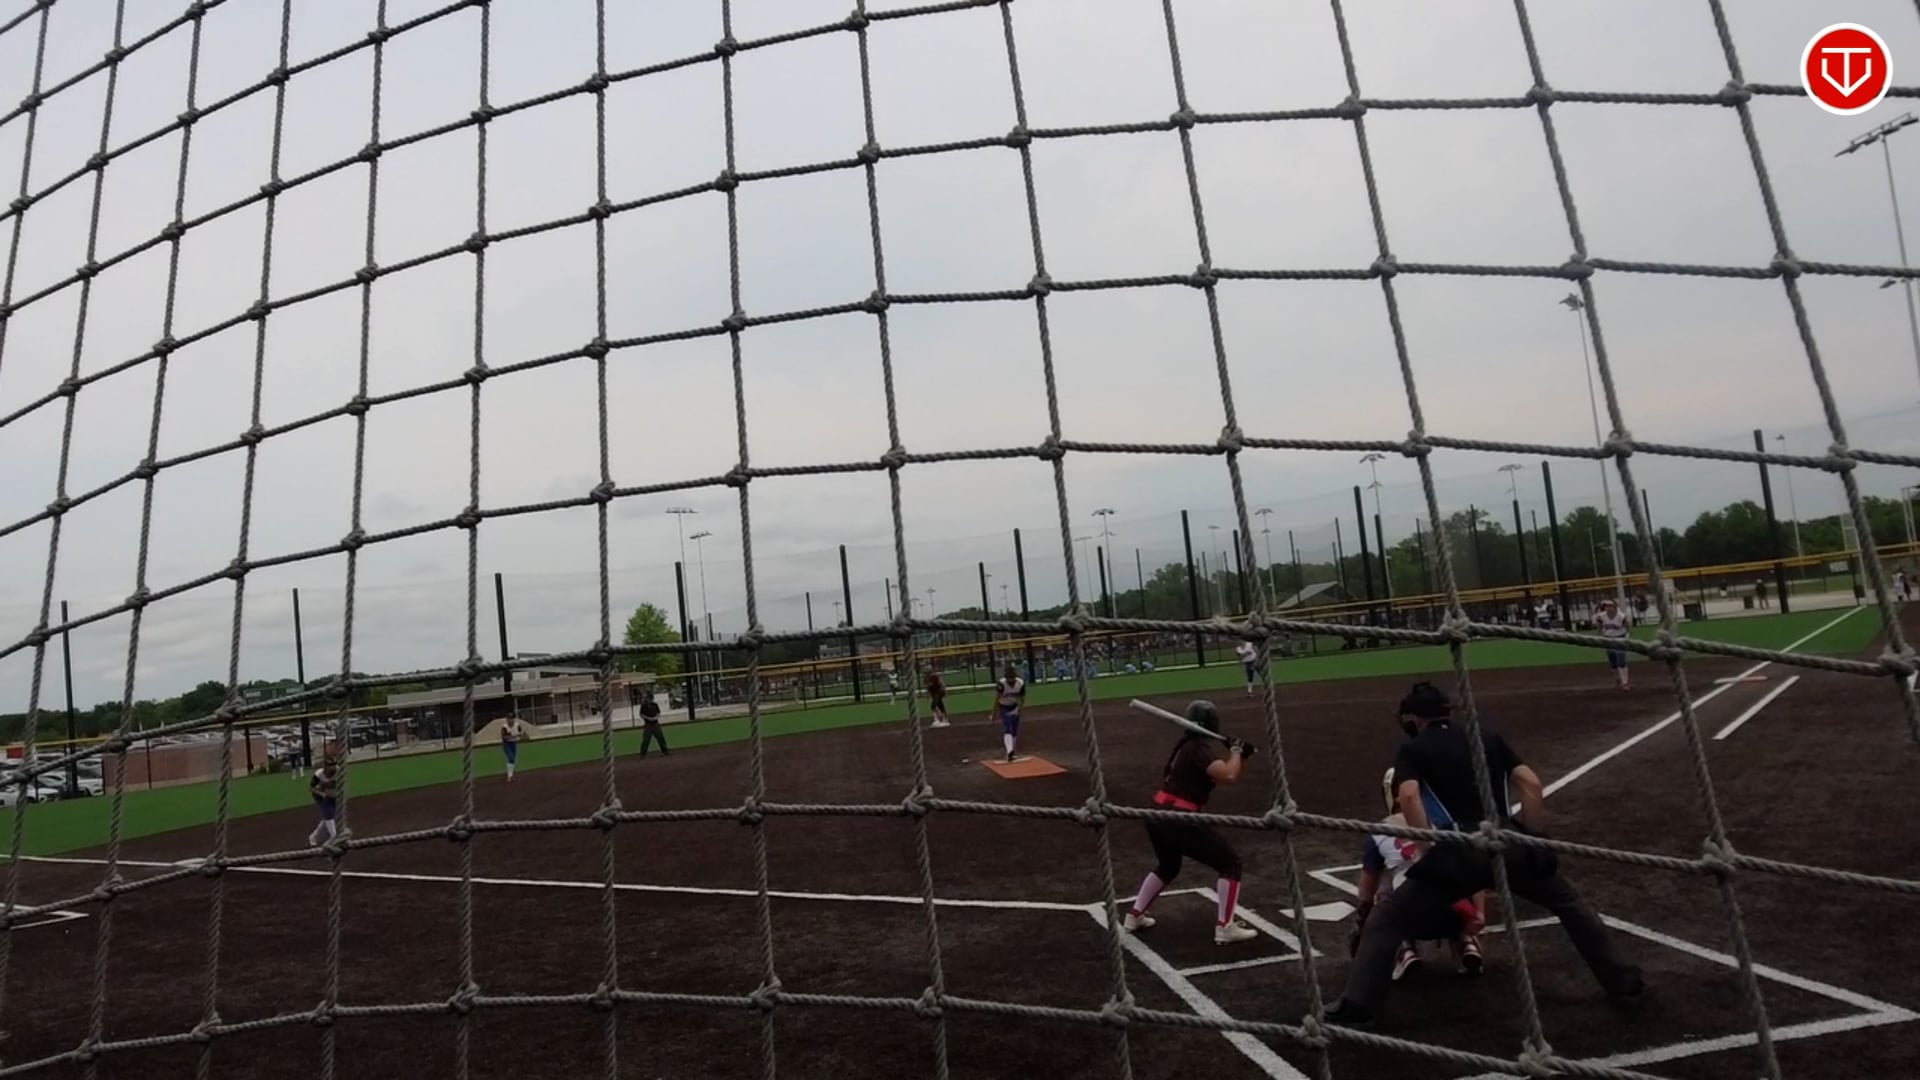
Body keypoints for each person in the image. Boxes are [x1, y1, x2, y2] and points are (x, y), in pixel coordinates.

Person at [1323, 682, 1643, 1028]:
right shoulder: (1485, 737)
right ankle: (1622, 980)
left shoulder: (1412, 749)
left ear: (1415, 718)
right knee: (1568, 903)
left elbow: (1410, 797)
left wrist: (1428, 850)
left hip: (1459, 850)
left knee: (1387, 918)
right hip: (1507, 839)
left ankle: (1359, 1005)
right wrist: (1533, 837)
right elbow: (1531, 784)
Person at [1122, 701, 1259, 945]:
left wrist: (1238, 754)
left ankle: (1135, 915)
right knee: (1230, 864)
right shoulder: (1198, 749)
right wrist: (1237, 752)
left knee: (1168, 866)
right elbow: (1228, 774)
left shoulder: (1184, 746)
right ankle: (1225, 927)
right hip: (1179, 818)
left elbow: (1226, 770)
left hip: (1157, 814)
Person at [1353, 767, 1484, 982]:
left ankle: (1404, 949)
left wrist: (1362, 925)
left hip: (1411, 916)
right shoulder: (1450, 824)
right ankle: (1466, 942)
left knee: (1384, 893)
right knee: (1456, 876)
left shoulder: (1378, 833)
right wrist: (1479, 914)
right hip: (1457, 915)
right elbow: (1475, 873)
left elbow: (1365, 895)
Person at [989, 663, 1026, 762]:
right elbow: (997, 698)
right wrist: (994, 713)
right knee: (1008, 727)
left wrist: (1019, 709)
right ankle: (1009, 751)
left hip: (1014, 706)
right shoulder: (1002, 684)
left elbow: (1022, 698)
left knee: (1015, 729)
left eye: (1012, 678)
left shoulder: (1020, 683)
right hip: (1004, 707)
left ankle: (1011, 752)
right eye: (1009, 679)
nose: (1011, 681)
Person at [1595, 597, 1630, 691]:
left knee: (1621, 662)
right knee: (1613, 662)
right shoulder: (1601, 617)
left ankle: (1625, 683)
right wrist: (1600, 638)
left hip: (1620, 639)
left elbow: (1628, 629)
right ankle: (1617, 680)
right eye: (1606, 606)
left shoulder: (1621, 616)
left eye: (1610, 606)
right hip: (1608, 639)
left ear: (1615, 607)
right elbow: (1599, 629)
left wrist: (1626, 639)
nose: (1608, 608)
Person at [307, 758, 341, 847]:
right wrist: (322, 794)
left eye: (334, 764)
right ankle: (332, 838)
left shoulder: (339, 771)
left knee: (328, 817)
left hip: (332, 795)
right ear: (325, 766)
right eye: (330, 765)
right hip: (320, 796)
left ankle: (313, 837)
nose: (333, 767)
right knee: (329, 814)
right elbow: (311, 788)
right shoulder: (319, 774)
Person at [638, 691, 669, 757]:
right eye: (649, 698)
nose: (650, 700)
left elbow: (658, 713)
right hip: (648, 724)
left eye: (651, 698)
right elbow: (641, 714)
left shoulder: (655, 705)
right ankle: (643, 753)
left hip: (655, 723)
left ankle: (665, 750)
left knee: (660, 737)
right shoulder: (643, 706)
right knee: (646, 738)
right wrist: (648, 718)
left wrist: (655, 718)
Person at [499, 713, 524, 782]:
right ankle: (510, 776)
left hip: (513, 743)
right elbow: (504, 737)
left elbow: (521, 733)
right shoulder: (504, 727)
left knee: (512, 760)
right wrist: (514, 736)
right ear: (506, 719)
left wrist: (522, 736)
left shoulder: (517, 725)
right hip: (506, 744)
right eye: (509, 719)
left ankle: (510, 776)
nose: (510, 720)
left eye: (511, 718)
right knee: (511, 757)